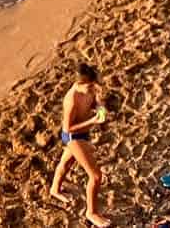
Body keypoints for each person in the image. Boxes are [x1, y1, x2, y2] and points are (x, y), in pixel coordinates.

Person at [47, 65, 109, 228]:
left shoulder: (90, 88)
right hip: (73, 137)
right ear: (79, 84)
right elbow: (67, 128)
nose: (93, 88)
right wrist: (92, 121)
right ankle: (91, 213)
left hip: (83, 134)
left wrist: (100, 107)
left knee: (66, 163)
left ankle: (54, 189)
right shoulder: (71, 99)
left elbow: (95, 102)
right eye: (90, 86)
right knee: (95, 176)